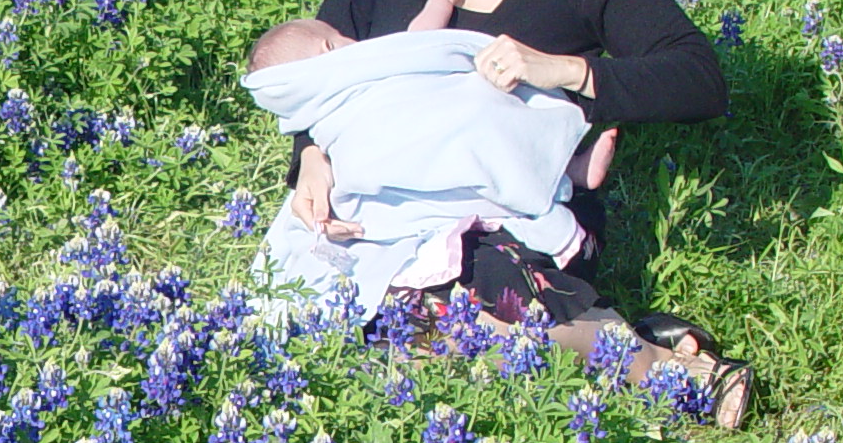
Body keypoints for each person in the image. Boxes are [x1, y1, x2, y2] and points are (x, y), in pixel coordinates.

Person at [276, 0, 745, 423]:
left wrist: (565, 71)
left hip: (515, 217)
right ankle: (619, 341)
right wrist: (311, 157)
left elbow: (699, 79)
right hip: (386, 206)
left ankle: (671, 372)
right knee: (346, 327)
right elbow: (328, 62)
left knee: (459, 322)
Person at [244, 17, 591, 324]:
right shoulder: (334, 100)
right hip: (385, 151)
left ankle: (562, 169)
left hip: (428, 115)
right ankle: (560, 168)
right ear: (328, 47)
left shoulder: (348, 81)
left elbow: (416, 45)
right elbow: (420, 39)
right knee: (474, 130)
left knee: (473, 114)